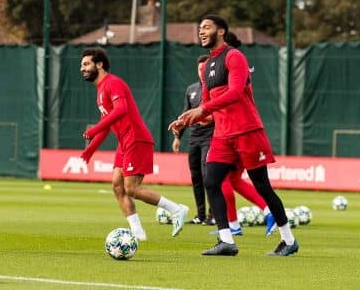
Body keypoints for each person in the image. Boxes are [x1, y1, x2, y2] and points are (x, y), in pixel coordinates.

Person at [169, 14, 298, 256]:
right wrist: (185, 120)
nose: (201, 32)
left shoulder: (234, 56)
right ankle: (226, 241)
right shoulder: (207, 65)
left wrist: (202, 109)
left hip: (247, 131)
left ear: (221, 31)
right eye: (199, 29)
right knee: (211, 181)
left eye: (206, 27)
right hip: (222, 135)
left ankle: (288, 240)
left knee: (262, 186)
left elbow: (237, 93)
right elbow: (208, 109)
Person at [80, 47, 189, 241]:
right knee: (117, 186)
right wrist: (90, 150)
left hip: (136, 138)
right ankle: (138, 233)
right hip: (124, 142)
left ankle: (176, 209)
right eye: (82, 65)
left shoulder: (113, 83)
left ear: (99, 64)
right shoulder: (100, 91)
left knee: (132, 188)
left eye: (86, 64)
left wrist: (93, 129)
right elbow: (107, 124)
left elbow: (121, 109)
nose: (83, 68)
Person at [171, 54, 215, 225]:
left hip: (210, 136)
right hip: (194, 137)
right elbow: (185, 115)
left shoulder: (215, 89)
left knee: (208, 175)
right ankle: (200, 215)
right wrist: (177, 137)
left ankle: (213, 215)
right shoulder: (191, 89)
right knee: (196, 176)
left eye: (205, 68)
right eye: (199, 68)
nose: (202, 71)